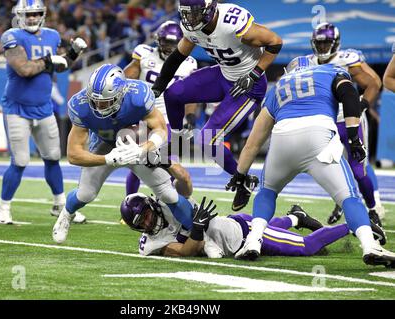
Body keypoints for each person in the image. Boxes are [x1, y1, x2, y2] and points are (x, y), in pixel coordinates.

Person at [227, 57, 395, 267]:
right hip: (318, 135)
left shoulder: (279, 86)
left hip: (282, 140)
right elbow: (349, 94)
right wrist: (353, 136)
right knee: (349, 197)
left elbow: (253, 142)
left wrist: (240, 174)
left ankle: (253, 241)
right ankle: (370, 245)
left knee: (267, 192)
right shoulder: (329, 71)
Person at [151, 0, 282, 211]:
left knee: (206, 139)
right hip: (223, 74)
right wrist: (157, 87)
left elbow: (275, 42)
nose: (190, 19)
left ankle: (242, 180)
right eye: (187, 14)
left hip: (247, 85)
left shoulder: (232, 23)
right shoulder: (192, 27)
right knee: (173, 94)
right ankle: (173, 143)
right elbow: (176, 57)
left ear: (210, 9)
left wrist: (254, 73)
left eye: (195, 13)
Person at [52, 63, 195, 244]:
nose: (98, 106)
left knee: (168, 194)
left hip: (138, 143)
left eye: (104, 101)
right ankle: (66, 214)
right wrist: (107, 158)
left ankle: (197, 232)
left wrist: (143, 149)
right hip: (104, 145)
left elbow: (160, 129)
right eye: (94, 100)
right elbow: (73, 154)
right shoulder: (80, 105)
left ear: (120, 94)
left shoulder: (138, 96)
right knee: (85, 194)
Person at [0, 0, 87, 225]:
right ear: (19, 15)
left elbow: (61, 65)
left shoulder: (52, 36)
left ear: (42, 15)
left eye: (36, 14)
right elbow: (24, 69)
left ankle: (60, 204)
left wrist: (73, 53)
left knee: (53, 157)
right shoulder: (11, 36)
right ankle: (3, 208)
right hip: (17, 108)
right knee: (20, 160)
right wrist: (48, 60)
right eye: (29, 14)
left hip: (44, 107)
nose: (33, 18)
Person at [121, 194, 389, 261]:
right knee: (278, 231)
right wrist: (198, 230)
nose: (147, 223)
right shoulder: (150, 243)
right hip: (231, 235)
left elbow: (183, 196)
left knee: (307, 248)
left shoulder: (171, 204)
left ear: (151, 205)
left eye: (145, 215)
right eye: (140, 224)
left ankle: (359, 224)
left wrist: (198, 226)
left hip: (244, 233)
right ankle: (296, 217)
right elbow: (186, 250)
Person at [307, 23, 384, 225]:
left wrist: (362, 105)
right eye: (319, 44)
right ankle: (343, 202)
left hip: (350, 120)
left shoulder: (346, 59)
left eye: (326, 44)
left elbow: (374, 83)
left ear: (335, 43)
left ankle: (373, 208)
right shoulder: (307, 62)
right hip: (325, 122)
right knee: (330, 168)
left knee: (358, 169)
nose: (322, 48)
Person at [123, 20, 198, 196]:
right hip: (144, 117)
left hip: (169, 120)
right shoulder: (144, 54)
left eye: (174, 43)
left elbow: (190, 94)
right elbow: (124, 79)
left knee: (169, 165)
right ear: (158, 40)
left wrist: (191, 117)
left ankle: (165, 204)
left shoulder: (189, 63)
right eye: (166, 42)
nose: (169, 47)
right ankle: (129, 201)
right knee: (138, 163)